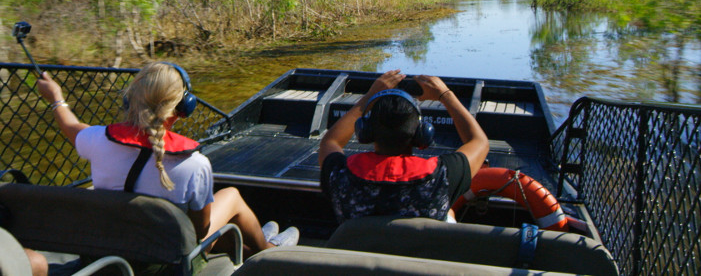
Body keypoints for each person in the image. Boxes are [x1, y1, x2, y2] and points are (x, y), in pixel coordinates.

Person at [35, 62, 298, 258]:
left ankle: (260, 245)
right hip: (167, 259)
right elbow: (199, 230)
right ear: (184, 108)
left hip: (114, 251)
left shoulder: (96, 139)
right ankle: (267, 250)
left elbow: (71, 126)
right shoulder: (194, 164)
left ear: (130, 99)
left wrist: (56, 98)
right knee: (231, 196)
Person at [318, 69, 489, 223]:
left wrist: (369, 96)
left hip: (358, 257)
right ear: (422, 134)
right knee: (449, 214)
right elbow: (479, 142)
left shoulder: (340, 173)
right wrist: (445, 94)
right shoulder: (441, 176)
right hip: (419, 257)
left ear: (365, 131)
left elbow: (330, 141)